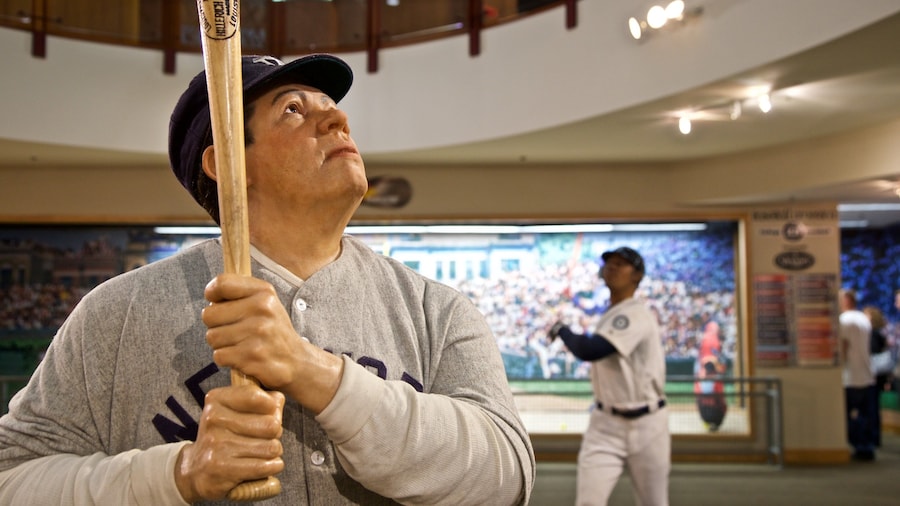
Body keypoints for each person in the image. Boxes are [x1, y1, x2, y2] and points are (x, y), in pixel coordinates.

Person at [0, 54, 534, 505]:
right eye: (294, 111)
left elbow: (507, 477)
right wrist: (179, 473)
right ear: (226, 163)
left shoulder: (434, 309)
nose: (336, 121)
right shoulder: (116, 315)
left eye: (330, 107)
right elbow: (13, 478)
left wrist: (314, 373)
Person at [548, 247, 669, 506]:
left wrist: (562, 330)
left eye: (621, 264)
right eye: (610, 263)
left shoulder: (634, 312)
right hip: (605, 424)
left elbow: (592, 350)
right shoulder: (612, 312)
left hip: (647, 424)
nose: (612, 267)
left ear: (636, 275)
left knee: (654, 503)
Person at [838, 288, 876, 461]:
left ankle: (859, 446)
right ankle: (867, 447)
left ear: (846, 300)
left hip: (850, 376)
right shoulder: (864, 319)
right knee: (865, 415)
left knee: (851, 416)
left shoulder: (844, 320)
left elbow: (844, 347)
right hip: (867, 375)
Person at [863, 305, 892, 447]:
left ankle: (873, 439)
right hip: (879, 375)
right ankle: (875, 438)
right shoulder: (880, 333)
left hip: (873, 375)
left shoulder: (873, 334)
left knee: (872, 407)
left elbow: (872, 354)